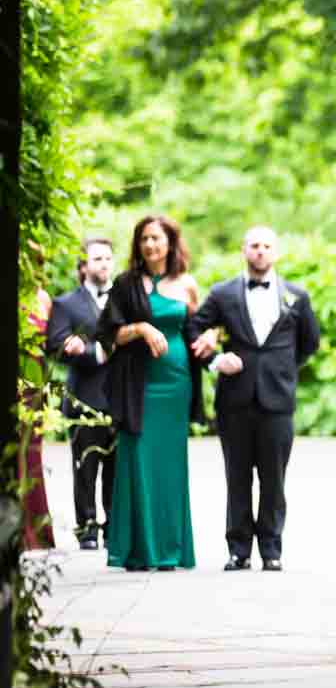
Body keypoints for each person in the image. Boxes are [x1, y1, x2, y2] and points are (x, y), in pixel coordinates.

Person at [190, 226, 320, 572]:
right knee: (237, 476)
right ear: (243, 250)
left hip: (277, 401)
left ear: (275, 252)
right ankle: (238, 550)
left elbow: (310, 343)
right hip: (234, 400)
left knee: (274, 478)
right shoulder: (222, 293)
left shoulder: (297, 295)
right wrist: (216, 360)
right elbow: (192, 328)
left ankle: (272, 549)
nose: (260, 251)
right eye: (253, 246)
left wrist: (282, 369)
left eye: (266, 246)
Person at [97, 214, 205, 572]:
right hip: (137, 383)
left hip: (176, 382)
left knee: (170, 463)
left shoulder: (187, 284)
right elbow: (109, 334)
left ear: (170, 242)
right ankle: (139, 550)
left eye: (156, 238)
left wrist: (213, 341)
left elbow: (196, 331)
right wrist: (141, 327)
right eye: (144, 238)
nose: (150, 245)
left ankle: (171, 550)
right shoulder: (125, 284)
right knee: (136, 459)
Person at [47, 237, 117, 550]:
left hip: (120, 398)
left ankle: (115, 528)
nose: (103, 263)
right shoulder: (66, 304)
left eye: (107, 258)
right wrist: (94, 352)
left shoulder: (126, 298)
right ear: (83, 266)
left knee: (117, 471)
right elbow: (55, 347)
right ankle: (87, 529)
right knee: (85, 469)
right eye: (97, 258)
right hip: (85, 397)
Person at [20, 279, 56, 551]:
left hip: (34, 388)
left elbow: (52, 342)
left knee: (31, 454)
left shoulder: (43, 298)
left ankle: (36, 533)